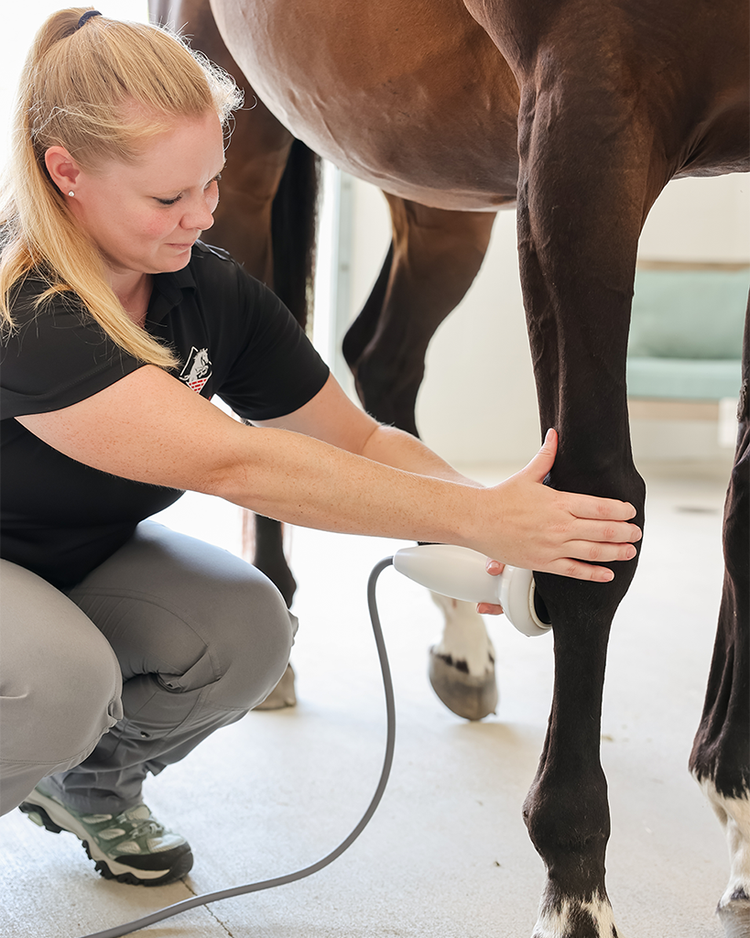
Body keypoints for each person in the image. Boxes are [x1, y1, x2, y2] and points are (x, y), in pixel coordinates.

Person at [0, 7, 641, 888]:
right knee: (59, 684)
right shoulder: (28, 307)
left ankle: (92, 789)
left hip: (70, 558)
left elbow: (358, 437)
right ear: (65, 172)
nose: (200, 216)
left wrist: (480, 525)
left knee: (247, 629)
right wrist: (482, 519)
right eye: (166, 198)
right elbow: (238, 464)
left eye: (211, 184)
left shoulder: (203, 290)